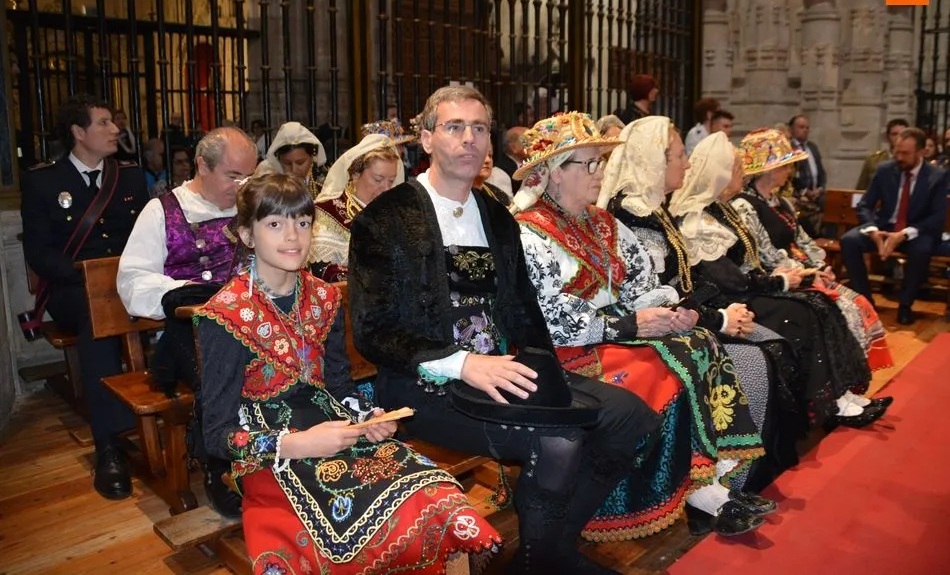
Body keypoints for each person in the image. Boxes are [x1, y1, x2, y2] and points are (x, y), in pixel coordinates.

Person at [349, 86, 659, 574]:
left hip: (502, 373)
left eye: (479, 128)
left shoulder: (495, 213)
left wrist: (548, 374)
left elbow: (522, 311)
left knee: (630, 417)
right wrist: (464, 364)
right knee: (558, 441)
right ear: (426, 139)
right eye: (454, 127)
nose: (469, 139)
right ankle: (546, 561)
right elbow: (373, 330)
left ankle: (549, 552)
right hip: (424, 387)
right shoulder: (386, 218)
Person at [196, 173, 500, 574]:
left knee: (435, 494)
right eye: (274, 224)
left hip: (336, 430)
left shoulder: (323, 297)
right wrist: (299, 444)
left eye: (302, 221)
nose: (293, 236)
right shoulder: (224, 315)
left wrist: (366, 417)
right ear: (247, 235)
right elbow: (216, 435)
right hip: (273, 455)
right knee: (373, 524)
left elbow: (339, 386)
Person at [512, 113, 769, 541]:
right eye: (589, 164)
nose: (600, 172)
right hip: (564, 353)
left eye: (600, 163)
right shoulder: (528, 233)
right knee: (659, 367)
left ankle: (706, 483)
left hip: (614, 335)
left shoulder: (602, 223)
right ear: (554, 174)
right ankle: (651, 495)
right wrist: (632, 322)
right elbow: (550, 320)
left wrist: (667, 310)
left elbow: (641, 285)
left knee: (697, 339)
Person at [600, 116, 801, 491]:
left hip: (682, 318)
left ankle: (738, 477)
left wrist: (719, 314)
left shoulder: (653, 208)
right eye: (679, 156)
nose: (688, 164)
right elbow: (654, 296)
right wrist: (718, 318)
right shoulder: (633, 215)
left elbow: (683, 283)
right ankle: (722, 482)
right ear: (654, 161)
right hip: (649, 329)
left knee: (770, 346)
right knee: (755, 361)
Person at [669, 132, 890, 434]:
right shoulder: (697, 218)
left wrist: (789, 277)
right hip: (725, 299)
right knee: (805, 312)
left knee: (818, 303)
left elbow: (753, 261)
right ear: (720, 174)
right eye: (737, 169)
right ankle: (826, 402)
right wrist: (778, 282)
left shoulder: (723, 208)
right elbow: (728, 279)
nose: (743, 174)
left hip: (745, 288)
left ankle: (840, 392)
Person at [117, 127, 258, 515]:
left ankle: (277, 455)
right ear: (202, 165)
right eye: (233, 175)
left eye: (249, 176)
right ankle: (221, 466)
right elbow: (132, 282)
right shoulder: (162, 211)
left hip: (250, 321)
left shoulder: (253, 206)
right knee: (220, 367)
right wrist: (187, 292)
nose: (242, 186)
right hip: (189, 330)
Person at [20, 94, 150, 500]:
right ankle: (109, 446)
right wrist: (89, 277)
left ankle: (185, 420)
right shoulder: (43, 181)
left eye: (114, 122)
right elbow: (39, 252)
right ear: (78, 132)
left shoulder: (129, 176)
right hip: (73, 291)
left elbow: (148, 236)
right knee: (98, 319)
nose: (115, 130)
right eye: (104, 123)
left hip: (127, 285)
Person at [732, 129, 894, 369]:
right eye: (786, 165)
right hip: (778, 277)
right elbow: (764, 254)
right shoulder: (744, 205)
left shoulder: (782, 202)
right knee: (841, 309)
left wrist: (820, 266)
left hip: (802, 271)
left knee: (858, 302)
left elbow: (804, 240)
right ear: (769, 170)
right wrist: (807, 274)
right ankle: (838, 377)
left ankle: (850, 375)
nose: (790, 171)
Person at [841, 127, 950, 325]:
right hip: (884, 227)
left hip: (916, 231)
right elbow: (865, 205)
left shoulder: (937, 176)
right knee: (849, 241)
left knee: (922, 249)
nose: (899, 157)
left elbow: (937, 217)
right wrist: (872, 230)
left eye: (905, 153)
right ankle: (865, 302)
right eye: (897, 152)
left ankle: (905, 305)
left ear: (921, 152)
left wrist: (904, 234)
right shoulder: (885, 170)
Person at [310, 134, 403, 282]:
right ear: (355, 174)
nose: (386, 189)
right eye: (378, 179)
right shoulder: (327, 213)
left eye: (391, 181)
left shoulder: (397, 215)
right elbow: (324, 272)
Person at [256, 122, 328, 201]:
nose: (294, 170)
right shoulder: (268, 178)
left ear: (312, 157)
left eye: (300, 163)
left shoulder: (324, 181)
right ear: (278, 160)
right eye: (287, 163)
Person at [787, 115, 826, 237]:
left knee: (834, 205)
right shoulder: (788, 148)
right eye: (801, 127)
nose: (805, 130)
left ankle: (827, 240)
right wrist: (804, 191)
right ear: (792, 129)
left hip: (817, 194)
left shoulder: (812, 147)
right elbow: (790, 177)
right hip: (798, 195)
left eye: (807, 128)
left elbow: (822, 172)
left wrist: (820, 188)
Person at [856, 119, 909, 190]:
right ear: (888, 137)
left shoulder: (912, 160)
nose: (898, 138)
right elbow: (861, 189)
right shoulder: (873, 160)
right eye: (894, 134)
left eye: (902, 134)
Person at [495, 126, 529, 192]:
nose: (533, 143)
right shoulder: (499, 172)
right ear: (513, 147)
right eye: (526, 141)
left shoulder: (534, 164)